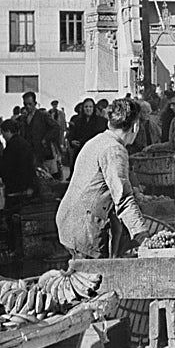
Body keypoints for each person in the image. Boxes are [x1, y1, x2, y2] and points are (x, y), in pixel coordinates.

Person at [56, 98, 149, 258]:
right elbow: (123, 199)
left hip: (70, 222)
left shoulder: (98, 140)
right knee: (94, 278)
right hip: (85, 229)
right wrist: (143, 235)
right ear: (135, 126)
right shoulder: (115, 149)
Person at [67, 98, 107, 175]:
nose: (88, 109)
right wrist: (72, 141)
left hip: (95, 153)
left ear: (93, 108)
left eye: (90, 107)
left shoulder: (101, 121)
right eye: (86, 107)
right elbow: (72, 134)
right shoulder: (78, 121)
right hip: (80, 152)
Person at [19, 91, 60, 167]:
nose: (28, 107)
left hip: (41, 152)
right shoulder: (23, 118)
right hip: (29, 152)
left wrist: (45, 139)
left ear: (35, 103)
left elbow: (56, 127)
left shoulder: (42, 115)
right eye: (25, 104)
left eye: (30, 104)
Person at [0, 119, 37, 197]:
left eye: (3, 133)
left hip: (16, 184)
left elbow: (8, 165)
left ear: (8, 131)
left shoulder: (12, 146)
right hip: (24, 184)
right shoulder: (23, 143)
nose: (3, 136)